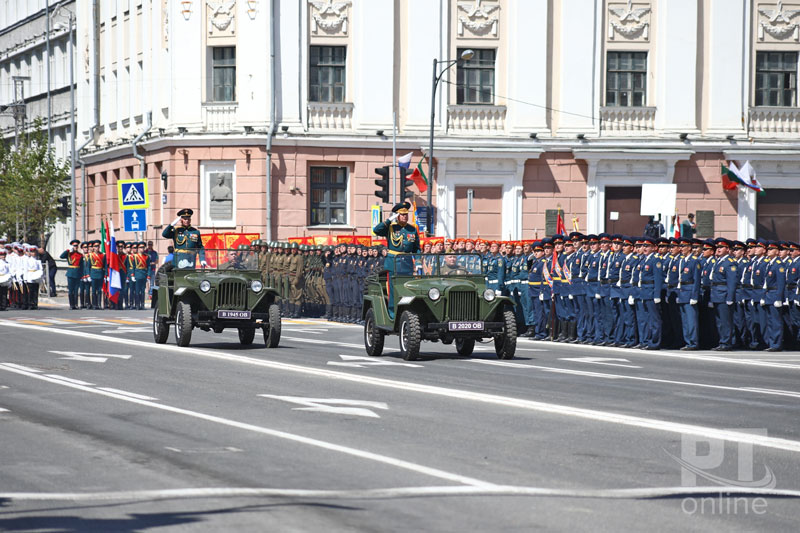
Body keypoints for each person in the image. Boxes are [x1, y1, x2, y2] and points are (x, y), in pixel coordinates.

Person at [60, 239, 83, 310]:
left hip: (77, 273)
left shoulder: (80, 255)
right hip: (70, 273)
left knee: (76, 290)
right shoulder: (69, 254)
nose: (76, 247)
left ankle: (75, 304)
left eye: (76, 246)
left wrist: (82, 275)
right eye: (74, 246)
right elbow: (61, 256)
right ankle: (71, 305)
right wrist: (67, 250)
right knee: (71, 290)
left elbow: (81, 265)